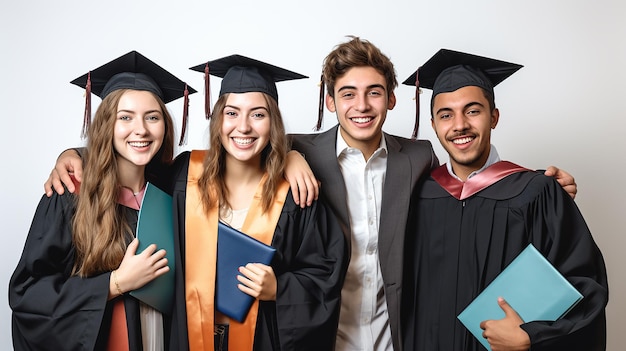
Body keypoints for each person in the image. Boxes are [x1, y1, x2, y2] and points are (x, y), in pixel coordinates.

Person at [44, 37, 579, 351]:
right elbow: (132, 157)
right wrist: (77, 156)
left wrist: (538, 183)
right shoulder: (190, 173)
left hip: (398, 337)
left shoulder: (420, 161)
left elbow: (472, 178)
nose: (361, 105)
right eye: (347, 94)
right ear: (329, 101)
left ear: (393, 100)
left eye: (373, 93)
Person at [401, 49, 608, 351]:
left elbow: (583, 286)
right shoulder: (417, 196)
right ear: (434, 125)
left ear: (494, 117)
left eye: (473, 111)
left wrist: (532, 335)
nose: (459, 125)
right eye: (446, 115)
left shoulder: (536, 192)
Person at [9, 51, 195, 350]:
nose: (141, 130)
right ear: (106, 124)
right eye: (125, 117)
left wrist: (293, 155)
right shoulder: (71, 194)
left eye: (153, 117)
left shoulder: (175, 187)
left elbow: (244, 154)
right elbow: (28, 294)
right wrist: (115, 284)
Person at [164, 55, 347, 351]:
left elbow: (326, 274)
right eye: (232, 113)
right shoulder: (185, 175)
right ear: (217, 118)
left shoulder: (296, 194)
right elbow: (129, 172)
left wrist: (280, 288)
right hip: (187, 338)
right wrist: (74, 156)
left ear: (273, 122)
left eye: (258, 115)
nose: (244, 127)